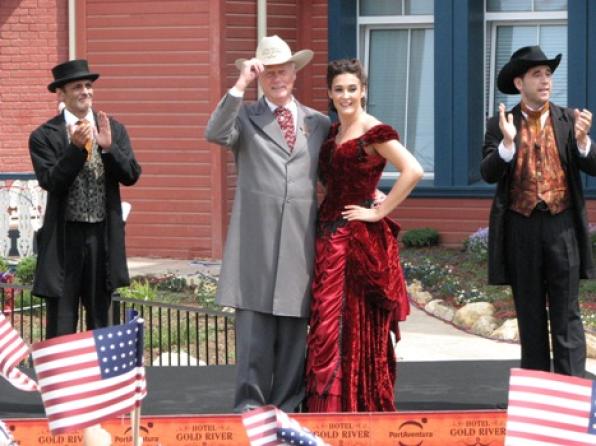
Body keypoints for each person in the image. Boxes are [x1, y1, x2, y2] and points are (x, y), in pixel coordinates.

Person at [205, 35, 330, 413]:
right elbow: (214, 133)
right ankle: (250, 407)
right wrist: (239, 85)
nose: (277, 79)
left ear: (295, 72)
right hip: (255, 242)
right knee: (254, 336)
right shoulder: (244, 116)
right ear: (260, 77)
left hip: (299, 239)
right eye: (269, 73)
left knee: (294, 337)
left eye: (283, 71)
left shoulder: (318, 123)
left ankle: (289, 407)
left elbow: (334, 175)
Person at [305, 59, 423, 412]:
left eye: (352, 89)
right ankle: (325, 413)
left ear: (364, 91)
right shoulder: (332, 133)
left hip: (355, 241)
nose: (346, 96)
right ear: (329, 93)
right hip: (326, 237)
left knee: (346, 325)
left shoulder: (374, 131)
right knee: (325, 327)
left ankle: (352, 409)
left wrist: (378, 211)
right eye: (339, 89)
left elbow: (413, 170)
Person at [481, 46, 596, 377]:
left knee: (567, 315)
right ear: (520, 83)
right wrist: (506, 145)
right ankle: (536, 397)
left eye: (548, 74)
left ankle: (571, 392)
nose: (545, 80)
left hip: (562, 227)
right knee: (530, 315)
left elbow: (593, 164)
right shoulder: (499, 124)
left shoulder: (569, 120)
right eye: (537, 74)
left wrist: (584, 141)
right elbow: (488, 172)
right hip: (521, 227)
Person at [29, 59, 142, 338]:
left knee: (102, 319)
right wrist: (76, 149)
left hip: (102, 236)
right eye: (77, 86)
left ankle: (103, 379)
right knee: (62, 322)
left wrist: (108, 148)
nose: (85, 92)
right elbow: (51, 182)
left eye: (89, 86)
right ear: (61, 94)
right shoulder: (44, 136)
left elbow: (131, 175)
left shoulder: (112, 129)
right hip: (64, 239)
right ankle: (61, 380)